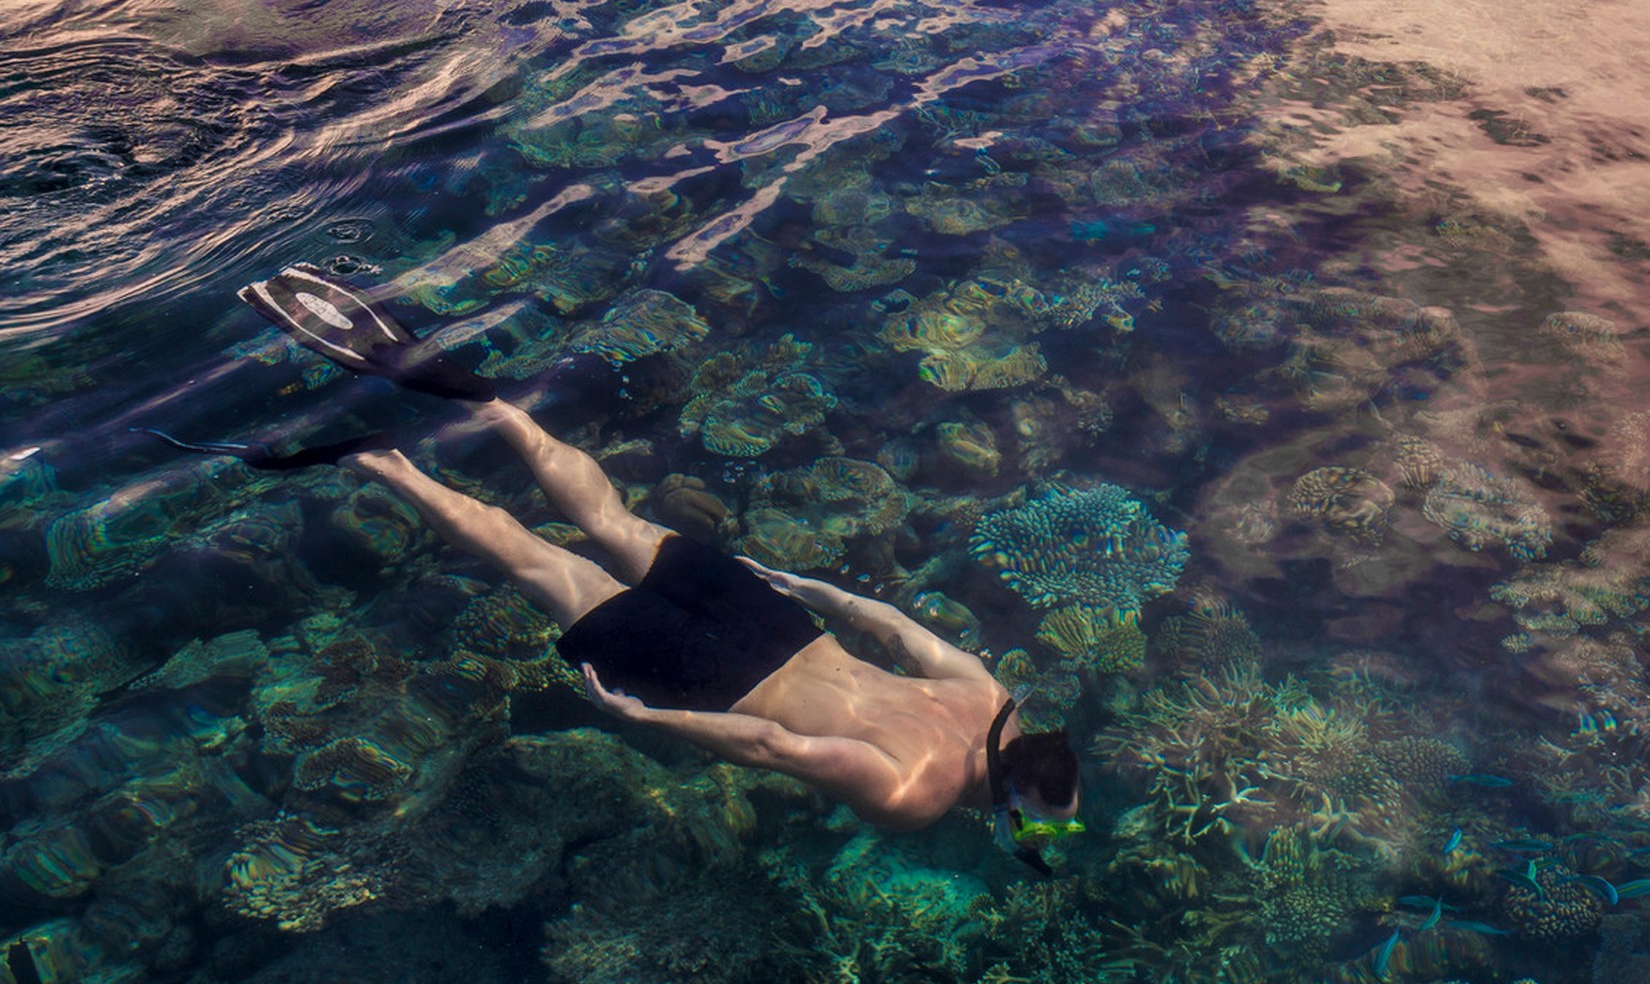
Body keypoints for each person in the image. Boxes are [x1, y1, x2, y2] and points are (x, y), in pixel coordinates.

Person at [233, 265, 1082, 852]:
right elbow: (775, 747)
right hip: (715, 676)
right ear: (1009, 798)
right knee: (542, 566)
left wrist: (803, 585)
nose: (1039, 836)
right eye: (1042, 824)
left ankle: (492, 408)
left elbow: (891, 625)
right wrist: (649, 720)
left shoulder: (987, 693)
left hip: (778, 620)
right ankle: (386, 462)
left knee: (613, 519)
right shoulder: (915, 798)